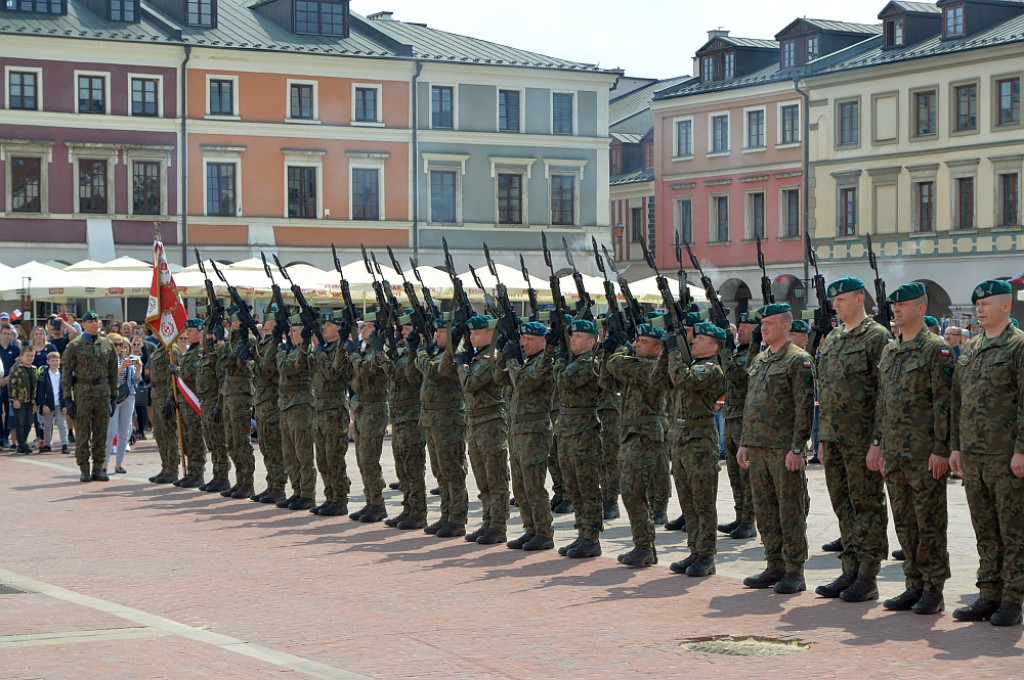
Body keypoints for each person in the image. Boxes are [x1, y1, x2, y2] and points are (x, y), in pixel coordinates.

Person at [875, 282, 953, 615]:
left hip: (924, 454)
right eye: (894, 305)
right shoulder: (891, 351)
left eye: (903, 305)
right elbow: (883, 402)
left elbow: (944, 403)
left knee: (929, 523)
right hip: (894, 454)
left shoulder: (936, 349)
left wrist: (941, 449)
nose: (896, 310)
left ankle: (933, 589)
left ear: (921, 309)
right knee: (905, 523)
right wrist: (879, 445)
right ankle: (913, 584)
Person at [949, 279, 1024, 627]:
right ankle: (988, 593)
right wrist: (955, 447)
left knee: (1013, 530)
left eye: (987, 303)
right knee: (984, 530)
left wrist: (1020, 451)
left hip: (1005, 456)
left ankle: (1012, 598)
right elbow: (958, 402)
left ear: (1006, 306)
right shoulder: (975, 346)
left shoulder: (1018, 346)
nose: (979, 309)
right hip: (975, 456)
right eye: (977, 304)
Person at [814, 276, 891, 603]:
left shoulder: (877, 337)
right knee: (843, 505)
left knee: (867, 505)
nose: (836, 305)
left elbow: (885, 393)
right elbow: (825, 392)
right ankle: (850, 568)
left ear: (860, 299)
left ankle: (868, 575)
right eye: (835, 300)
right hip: (833, 438)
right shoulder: (831, 339)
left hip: (862, 441)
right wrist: (820, 437)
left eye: (842, 299)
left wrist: (878, 441)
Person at [738, 303, 815, 594]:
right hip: (758, 447)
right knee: (765, 509)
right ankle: (774, 564)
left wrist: (798, 448)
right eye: (762, 323)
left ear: (786, 326)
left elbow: (804, 406)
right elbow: (750, 404)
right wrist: (744, 442)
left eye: (770, 323)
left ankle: (794, 570)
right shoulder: (759, 360)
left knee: (790, 510)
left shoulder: (799, 360)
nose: (764, 328)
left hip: (783, 449)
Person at [605, 323, 671, 567]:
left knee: (632, 490)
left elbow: (615, 364)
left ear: (657, 349)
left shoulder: (650, 366)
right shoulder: (635, 366)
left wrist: (619, 347)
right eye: (637, 340)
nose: (636, 344)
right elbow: (606, 379)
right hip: (631, 432)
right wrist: (606, 350)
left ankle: (644, 546)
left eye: (643, 342)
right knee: (631, 490)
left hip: (645, 433)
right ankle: (644, 546)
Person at [665, 322, 727, 577]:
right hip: (681, 439)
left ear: (713, 346)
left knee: (703, 501)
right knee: (687, 501)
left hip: (700, 441)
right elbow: (667, 379)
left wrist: (673, 352)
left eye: (700, 338)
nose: (694, 341)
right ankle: (695, 549)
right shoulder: (691, 365)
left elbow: (682, 379)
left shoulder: (711, 369)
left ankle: (707, 555)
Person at [499, 320, 556, 551]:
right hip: (517, 431)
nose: (525, 343)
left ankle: (544, 533)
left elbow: (523, 384)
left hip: (535, 431)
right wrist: (503, 356)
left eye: (530, 339)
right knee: (520, 487)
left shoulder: (545, 363)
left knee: (534, 486)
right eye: (523, 339)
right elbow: (501, 378)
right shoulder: (526, 362)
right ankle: (530, 529)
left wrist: (513, 360)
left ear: (544, 341)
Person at [410, 315, 468, 538]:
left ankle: (457, 518)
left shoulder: (455, 354)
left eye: (442, 332)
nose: (437, 335)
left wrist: (421, 352)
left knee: (453, 470)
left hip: (448, 420)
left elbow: (436, 372)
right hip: (432, 419)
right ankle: (446, 514)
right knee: (440, 471)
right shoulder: (437, 352)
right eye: (436, 332)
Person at [552, 318, 603, 558]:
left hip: (583, 433)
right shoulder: (575, 362)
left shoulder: (588, 364)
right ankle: (582, 534)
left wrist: (560, 358)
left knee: (587, 488)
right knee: (573, 487)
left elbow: (562, 380)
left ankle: (591, 538)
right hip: (567, 431)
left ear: (591, 341)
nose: (573, 339)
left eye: (578, 337)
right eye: (572, 335)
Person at [459, 315, 510, 545]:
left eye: (477, 333)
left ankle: (498, 526)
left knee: (495, 478)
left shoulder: (492, 357)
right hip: (475, 422)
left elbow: (470, 383)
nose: (471, 337)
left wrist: (462, 365)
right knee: (482, 479)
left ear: (491, 334)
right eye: (470, 333)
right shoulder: (478, 357)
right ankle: (488, 522)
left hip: (490, 423)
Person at [61, 310, 118, 482]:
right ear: (83, 324)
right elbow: (66, 374)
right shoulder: (75, 346)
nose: (94, 323)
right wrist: (67, 399)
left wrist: (114, 396)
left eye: (96, 320)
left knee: (101, 433)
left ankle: (99, 468)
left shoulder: (107, 344)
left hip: (102, 392)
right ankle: (84, 468)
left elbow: (113, 372)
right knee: (82, 433)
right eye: (90, 321)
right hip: (83, 393)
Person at [346, 313, 391, 523]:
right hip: (362, 406)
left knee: (370, 459)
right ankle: (370, 501)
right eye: (362, 327)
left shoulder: (381, 351)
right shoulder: (365, 350)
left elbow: (365, 370)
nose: (363, 330)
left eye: (368, 327)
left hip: (375, 408)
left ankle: (377, 504)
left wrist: (353, 355)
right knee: (362, 459)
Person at [719, 312, 759, 540]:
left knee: (745, 473)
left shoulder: (754, 354)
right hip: (732, 416)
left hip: (745, 418)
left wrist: (724, 349)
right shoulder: (738, 353)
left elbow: (735, 375)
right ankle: (740, 516)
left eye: (746, 326)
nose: (740, 329)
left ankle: (749, 521)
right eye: (740, 325)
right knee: (734, 473)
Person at [311, 311, 355, 516]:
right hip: (319, 409)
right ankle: (330, 496)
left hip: (334, 410)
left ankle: (340, 498)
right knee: (322, 458)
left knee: (334, 457)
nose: (324, 328)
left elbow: (333, 375)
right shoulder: (324, 348)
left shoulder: (342, 349)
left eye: (328, 325)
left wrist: (319, 353)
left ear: (338, 328)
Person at [275, 316, 317, 510]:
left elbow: (288, 368)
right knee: (289, 453)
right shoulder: (290, 350)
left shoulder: (307, 351)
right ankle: (297, 490)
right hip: (285, 405)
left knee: (303, 452)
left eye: (295, 331)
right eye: (290, 331)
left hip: (301, 405)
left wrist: (283, 353)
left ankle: (308, 494)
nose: (291, 334)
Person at [251, 305, 288, 504]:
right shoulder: (264, 343)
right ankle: (271, 485)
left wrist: (251, 362)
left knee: (275, 447)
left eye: (269, 318)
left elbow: (265, 370)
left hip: (273, 402)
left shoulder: (276, 344)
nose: (264, 321)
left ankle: (279, 487)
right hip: (262, 401)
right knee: (266, 447)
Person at [171, 320, 206, 487]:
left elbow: (192, 373)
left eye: (191, 330)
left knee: (196, 439)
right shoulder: (188, 352)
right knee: (187, 439)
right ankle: (190, 472)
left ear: (200, 333)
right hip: (185, 403)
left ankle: (197, 473)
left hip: (194, 403)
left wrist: (176, 370)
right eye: (187, 331)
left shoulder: (200, 352)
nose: (187, 334)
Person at [104, 333, 140, 475]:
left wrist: (138, 368)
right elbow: (106, 378)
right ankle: (105, 464)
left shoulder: (127, 358)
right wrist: (120, 368)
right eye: (116, 344)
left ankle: (119, 464)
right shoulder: (105, 359)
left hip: (128, 396)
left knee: (124, 432)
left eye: (121, 344)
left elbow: (135, 381)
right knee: (110, 431)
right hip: (112, 397)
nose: (119, 347)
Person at [148, 334, 182, 484]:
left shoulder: (171, 350)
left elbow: (174, 378)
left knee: (169, 433)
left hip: (165, 395)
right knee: (159, 433)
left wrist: (171, 398)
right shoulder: (159, 349)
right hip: (156, 395)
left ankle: (173, 469)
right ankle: (165, 466)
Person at [35, 351, 68, 454]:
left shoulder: (62, 374)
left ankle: (64, 444)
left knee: (62, 425)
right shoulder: (44, 375)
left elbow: (66, 391)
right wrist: (43, 404)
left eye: (56, 360)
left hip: (60, 404)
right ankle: (47, 444)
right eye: (52, 360)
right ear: (47, 362)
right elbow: (40, 391)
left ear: (60, 361)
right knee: (47, 426)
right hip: (48, 404)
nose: (55, 362)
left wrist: (65, 405)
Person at [8, 345, 38, 455]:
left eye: (32, 356)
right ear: (21, 357)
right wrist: (14, 399)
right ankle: (21, 444)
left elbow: (35, 387)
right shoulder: (16, 368)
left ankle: (23, 442)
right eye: (27, 356)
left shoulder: (34, 370)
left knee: (29, 423)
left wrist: (35, 402)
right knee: (20, 423)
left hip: (30, 401)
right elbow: (12, 385)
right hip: (19, 400)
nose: (29, 358)